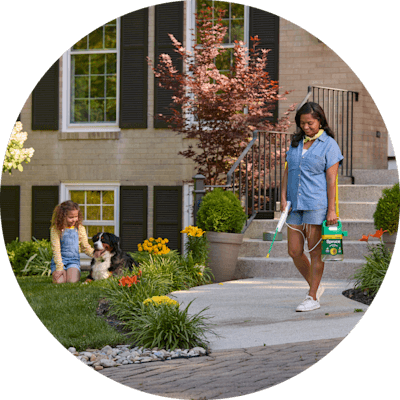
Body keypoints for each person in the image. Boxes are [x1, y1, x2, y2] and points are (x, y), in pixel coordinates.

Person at [280, 102, 344, 312]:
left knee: (315, 253)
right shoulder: (296, 143)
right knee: (294, 251)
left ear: (320, 121)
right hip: (294, 205)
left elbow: (331, 179)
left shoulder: (329, 145)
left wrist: (332, 210)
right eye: (302, 123)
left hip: (316, 204)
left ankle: (312, 296)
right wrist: (282, 198)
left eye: (310, 123)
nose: (306, 127)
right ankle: (316, 284)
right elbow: (287, 172)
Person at [50, 200, 94, 284]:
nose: (74, 219)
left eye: (76, 216)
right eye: (71, 217)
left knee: (72, 281)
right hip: (59, 261)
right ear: (62, 216)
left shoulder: (80, 228)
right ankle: (60, 272)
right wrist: (59, 268)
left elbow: (85, 247)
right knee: (59, 282)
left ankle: (71, 273)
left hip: (73, 261)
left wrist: (97, 256)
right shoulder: (56, 229)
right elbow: (56, 249)